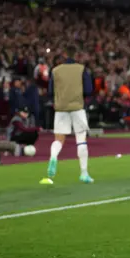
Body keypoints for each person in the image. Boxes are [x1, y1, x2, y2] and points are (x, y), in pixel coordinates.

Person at [42, 45, 94, 184]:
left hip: (61, 108)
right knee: (81, 140)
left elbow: (50, 91)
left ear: (64, 55)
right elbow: (89, 90)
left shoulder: (55, 71)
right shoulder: (82, 69)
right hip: (77, 107)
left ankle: (53, 157)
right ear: (75, 55)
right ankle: (84, 173)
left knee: (59, 139)